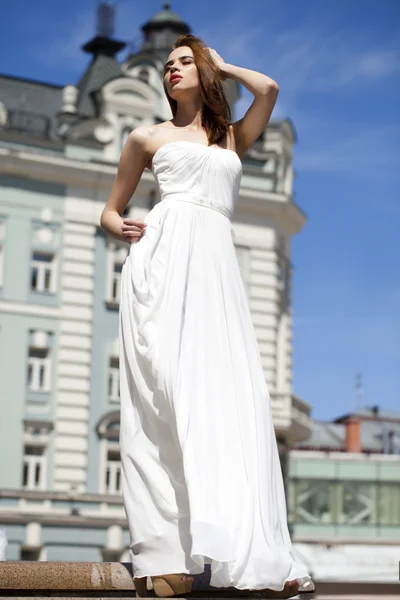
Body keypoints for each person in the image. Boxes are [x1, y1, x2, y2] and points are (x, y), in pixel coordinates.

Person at [100, 34, 314, 599]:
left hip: (217, 278)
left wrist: (221, 64)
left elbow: (267, 89)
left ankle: (255, 549)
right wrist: (116, 225)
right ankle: (165, 554)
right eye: (167, 65)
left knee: (230, 404)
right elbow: (110, 207)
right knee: (163, 399)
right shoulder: (145, 136)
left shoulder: (230, 139)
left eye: (183, 62)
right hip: (163, 263)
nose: (171, 70)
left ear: (205, 70)